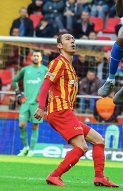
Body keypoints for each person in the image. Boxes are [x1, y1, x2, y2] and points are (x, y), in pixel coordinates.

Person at [34, 33, 118, 187]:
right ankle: (54, 175)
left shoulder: (71, 68)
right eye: (67, 39)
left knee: (99, 140)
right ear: (59, 45)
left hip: (67, 112)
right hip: (60, 111)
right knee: (82, 146)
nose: (72, 41)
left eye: (73, 39)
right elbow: (45, 85)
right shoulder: (58, 62)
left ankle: (99, 177)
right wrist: (41, 107)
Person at [12, 51, 48, 157]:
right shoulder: (25, 69)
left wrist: (43, 96)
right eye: (34, 55)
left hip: (37, 104)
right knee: (21, 125)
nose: (35, 57)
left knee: (35, 126)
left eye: (38, 56)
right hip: (25, 103)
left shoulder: (45, 70)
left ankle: (31, 151)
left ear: (41, 58)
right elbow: (14, 80)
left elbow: (51, 84)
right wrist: (19, 94)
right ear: (31, 57)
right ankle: (25, 148)